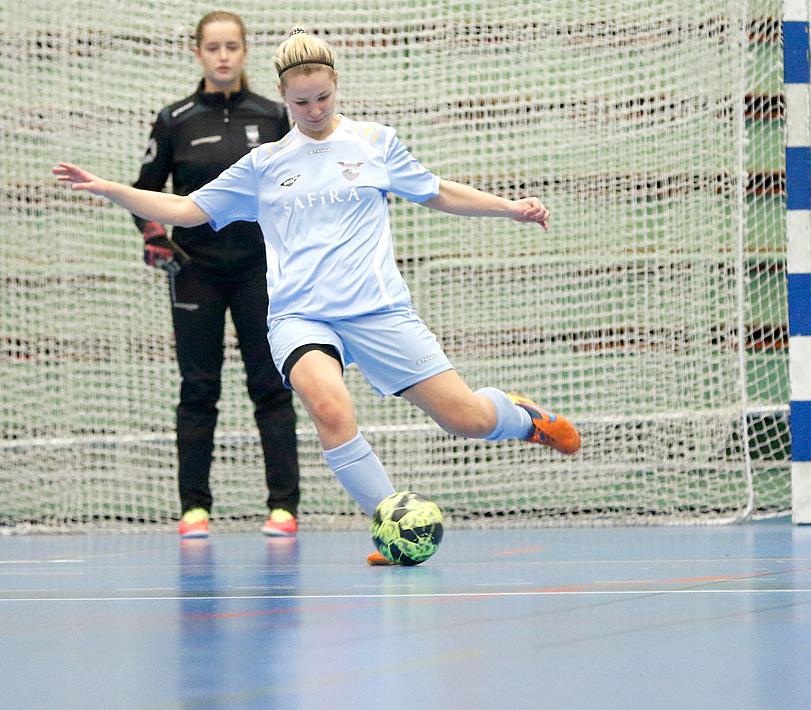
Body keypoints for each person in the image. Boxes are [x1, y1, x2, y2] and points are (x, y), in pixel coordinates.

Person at [55, 28, 580, 565]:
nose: (313, 110)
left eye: (322, 98)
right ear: (284, 97)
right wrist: (112, 190)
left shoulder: (374, 143)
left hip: (378, 310)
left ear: (336, 86)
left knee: (465, 418)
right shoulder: (264, 165)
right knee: (329, 406)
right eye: (301, 101)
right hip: (300, 317)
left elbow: (437, 191)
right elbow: (189, 210)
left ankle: (522, 417)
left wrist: (510, 208)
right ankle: (394, 527)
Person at [132, 11, 300, 540]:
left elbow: (300, 183)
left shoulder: (275, 116)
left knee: (271, 385)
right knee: (198, 389)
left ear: (245, 51)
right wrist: (153, 232)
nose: (223, 55)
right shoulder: (174, 119)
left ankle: (283, 507)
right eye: (213, 47)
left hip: (260, 272)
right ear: (198, 52)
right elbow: (145, 193)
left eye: (232, 46)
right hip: (195, 271)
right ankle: (194, 509)